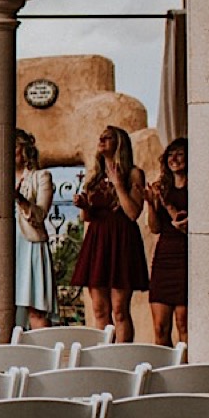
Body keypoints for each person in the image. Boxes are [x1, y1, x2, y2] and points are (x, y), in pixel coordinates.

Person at [68, 125, 148, 342]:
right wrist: (84, 205)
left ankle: (122, 358)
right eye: (100, 137)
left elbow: (133, 213)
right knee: (99, 309)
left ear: (119, 143)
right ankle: (104, 355)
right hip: (98, 240)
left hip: (122, 240)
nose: (101, 140)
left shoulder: (133, 174)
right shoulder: (95, 177)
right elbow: (87, 218)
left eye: (108, 137)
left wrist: (118, 185)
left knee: (120, 309)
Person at [146, 138, 189, 348]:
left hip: (187, 258)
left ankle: (187, 375)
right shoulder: (163, 187)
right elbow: (154, 228)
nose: (174, 159)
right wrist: (151, 205)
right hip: (164, 257)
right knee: (160, 327)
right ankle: (166, 375)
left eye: (180, 154)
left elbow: (183, 224)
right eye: (171, 154)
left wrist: (166, 203)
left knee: (184, 325)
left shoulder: (196, 190)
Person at [14, 129, 55, 332]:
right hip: (5, 246)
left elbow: (40, 216)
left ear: (25, 149)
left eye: (14, 145)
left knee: (36, 309)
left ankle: (44, 359)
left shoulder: (41, 177)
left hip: (30, 245)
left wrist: (20, 199)